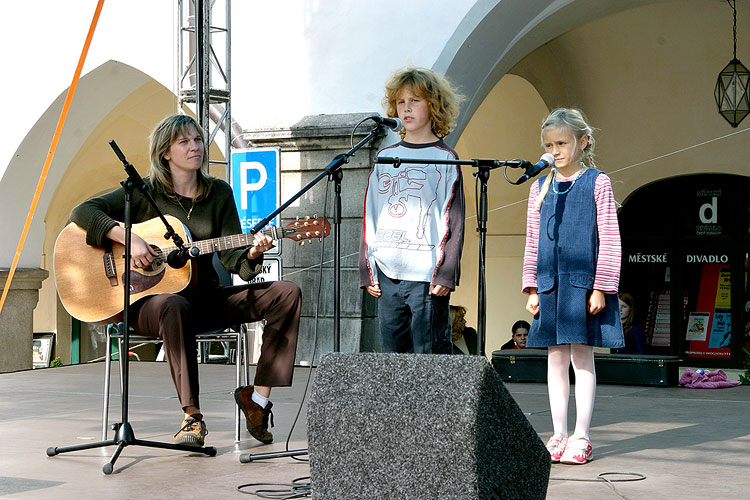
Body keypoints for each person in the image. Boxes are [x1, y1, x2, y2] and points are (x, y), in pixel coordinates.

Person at [70, 114, 301, 447]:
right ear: (166, 152)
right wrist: (129, 238)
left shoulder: (219, 193)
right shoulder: (144, 191)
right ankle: (192, 418)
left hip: (204, 297)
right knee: (174, 305)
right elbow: (83, 211)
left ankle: (258, 400)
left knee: (286, 293)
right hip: (147, 303)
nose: (196, 146)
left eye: (197, 139)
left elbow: (234, 259)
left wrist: (252, 253)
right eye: (185, 141)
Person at [522, 108, 623, 465]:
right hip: (550, 285)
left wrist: (602, 287)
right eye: (549, 144)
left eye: (562, 142)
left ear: (581, 141)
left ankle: (582, 435)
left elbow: (610, 237)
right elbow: (533, 240)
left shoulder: (598, 182)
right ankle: (558, 433)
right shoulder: (539, 186)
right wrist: (531, 286)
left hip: (583, 284)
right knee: (555, 357)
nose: (556, 150)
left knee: (582, 357)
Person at [359, 67, 465, 354]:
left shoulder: (445, 158)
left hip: (426, 274)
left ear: (434, 105)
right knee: (392, 354)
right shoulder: (384, 157)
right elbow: (371, 215)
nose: (406, 108)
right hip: (387, 271)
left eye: (415, 101)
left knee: (429, 352)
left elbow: (453, 221)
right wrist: (367, 269)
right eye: (400, 102)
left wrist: (446, 273)